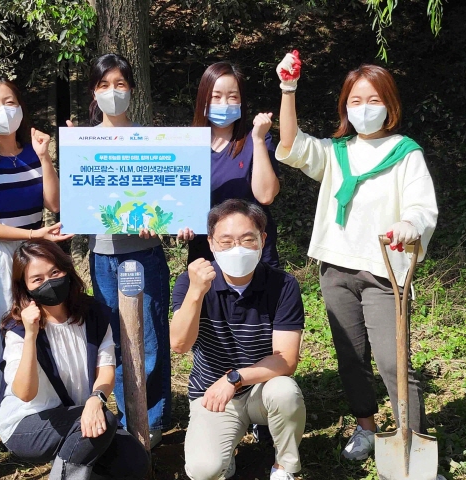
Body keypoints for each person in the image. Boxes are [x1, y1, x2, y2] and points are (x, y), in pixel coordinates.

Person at [275, 52, 440, 464]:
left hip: (385, 273)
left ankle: (412, 442)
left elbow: (422, 206)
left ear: (389, 104)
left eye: (373, 100)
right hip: (336, 269)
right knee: (351, 357)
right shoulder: (337, 152)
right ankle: (366, 427)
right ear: (345, 107)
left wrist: (410, 224)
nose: (364, 109)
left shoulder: (405, 152)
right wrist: (288, 89)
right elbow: (291, 145)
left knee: (392, 361)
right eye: (355, 101)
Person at [77, 53, 177, 446]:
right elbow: (78, 202)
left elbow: (169, 196)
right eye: (104, 85)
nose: (113, 92)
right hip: (103, 255)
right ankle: (124, 416)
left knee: (149, 337)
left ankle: (152, 420)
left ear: (132, 90)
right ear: (94, 92)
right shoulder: (84, 142)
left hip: (144, 252)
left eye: (120, 84)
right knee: (115, 338)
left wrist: (162, 219)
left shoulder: (151, 141)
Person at [0, 74, 71, 417]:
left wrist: (45, 157)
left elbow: (54, 203)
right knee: (6, 340)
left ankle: (50, 411)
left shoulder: (32, 152)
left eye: (10, 102)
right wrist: (33, 235)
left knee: (48, 331)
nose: (3, 110)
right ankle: (9, 418)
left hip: (36, 256)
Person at [171, 199, 306, 480]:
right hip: (212, 394)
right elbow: (180, 345)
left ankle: (285, 466)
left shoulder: (282, 285)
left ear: (262, 240)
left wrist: (234, 379)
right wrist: (196, 292)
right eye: (226, 241)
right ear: (210, 243)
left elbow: (286, 360)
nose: (237, 248)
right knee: (204, 470)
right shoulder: (190, 282)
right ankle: (224, 454)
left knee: (285, 392)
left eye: (247, 239)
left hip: (261, 388)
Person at [0, 240, 150, 480]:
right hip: (27, 425)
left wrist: (96, 399)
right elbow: (25, 393)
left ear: (67, 270)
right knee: (104, 422)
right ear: (25, 287)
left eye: (54, 273)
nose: (49, 282)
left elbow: (106, 370)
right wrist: (31, 335)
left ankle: (77, 467)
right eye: (37, 279)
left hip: (78, 414)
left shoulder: (94, 313)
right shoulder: (18, 329)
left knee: (134, 463)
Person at [187, 62, 281, 269]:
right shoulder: (188, 145)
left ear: (241, 101)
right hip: (206, 254)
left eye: (232, 96)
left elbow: (266, 195)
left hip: (252, 252)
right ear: (203, 99)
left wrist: (258, 139)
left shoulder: (257, 139)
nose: (224, 103)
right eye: (216, 96)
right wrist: (181, 224)